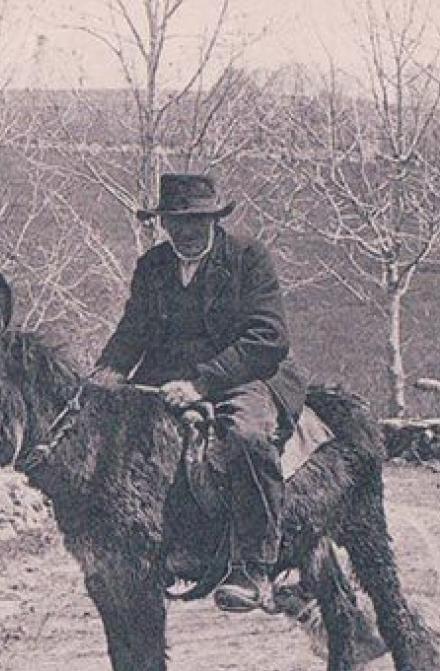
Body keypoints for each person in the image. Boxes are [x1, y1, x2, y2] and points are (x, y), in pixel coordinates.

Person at [94, 173, 307, 613]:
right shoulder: (152, 266)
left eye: (196, 221)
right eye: (176, 222)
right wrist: (107, 373)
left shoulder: (249, 258)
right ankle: (150, 548)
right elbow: (133, 330)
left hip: (245, 373)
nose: (186, 232)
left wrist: (201, 384)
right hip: (167, 377)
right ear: (164, 222)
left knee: (247, 438)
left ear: (214, 220)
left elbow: (267, 337)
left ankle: (254, 566)